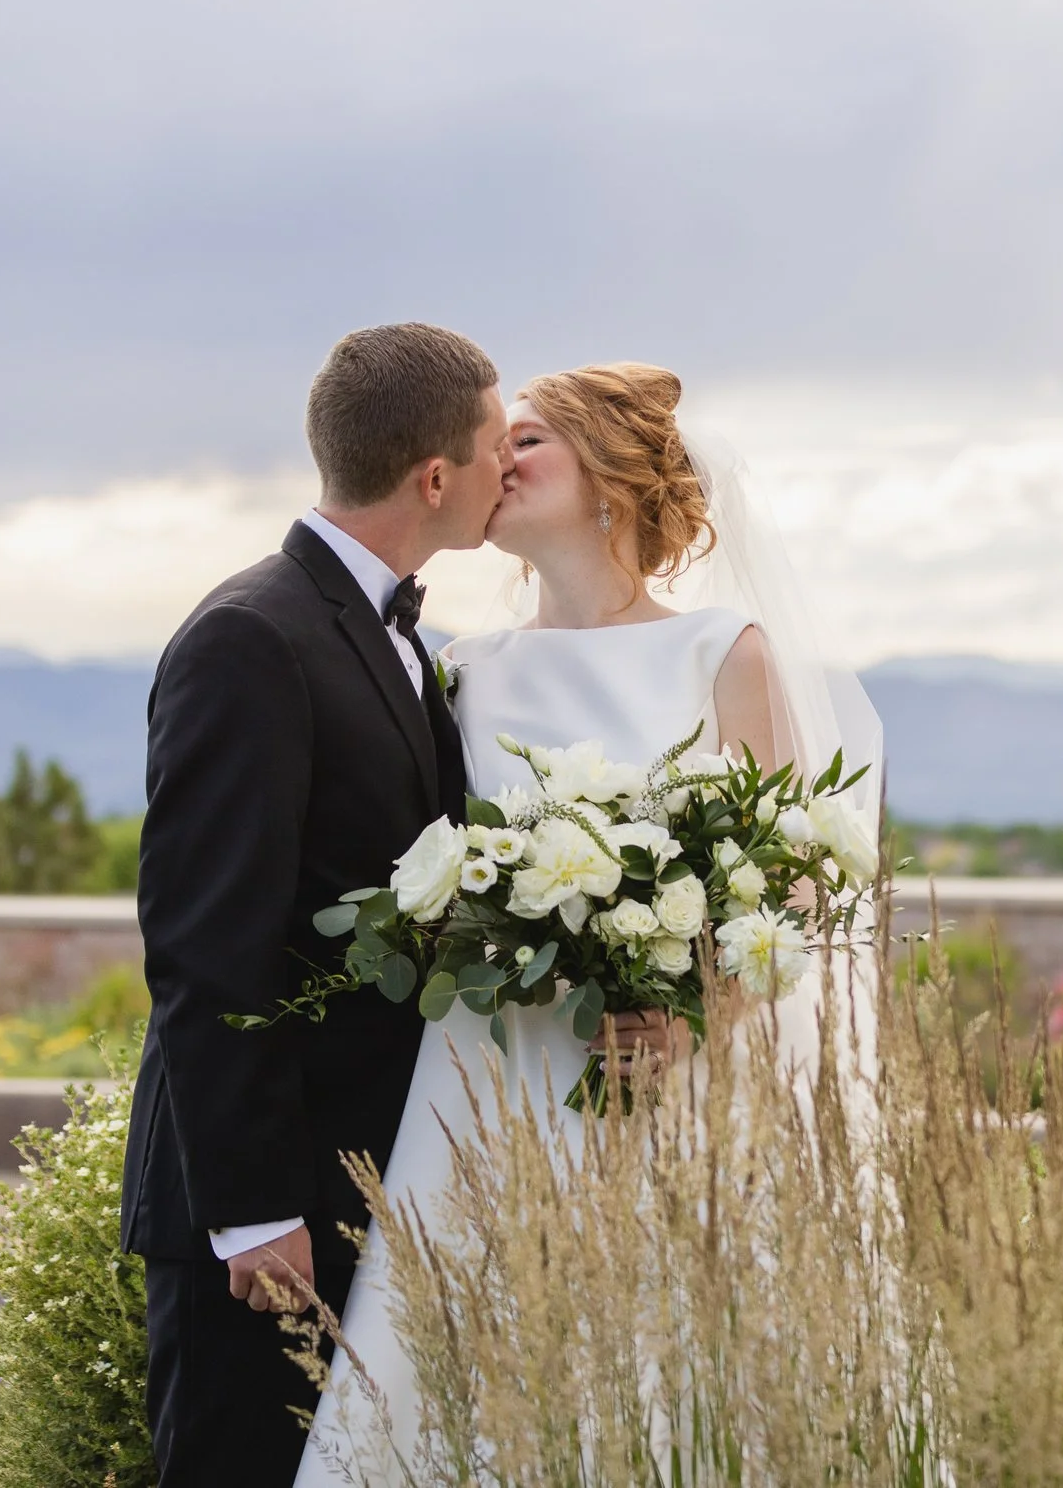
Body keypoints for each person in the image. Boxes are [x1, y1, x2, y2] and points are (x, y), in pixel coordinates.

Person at [295, 361, 883, 1484]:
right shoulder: (461, 671)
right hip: (497, 1072)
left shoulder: (724, 653)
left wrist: (690, 1013)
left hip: (678, 1085)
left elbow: (797, 892)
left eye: (525, 443)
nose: (492, 465)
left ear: (611, 479)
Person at [120, 323, 510, 1486]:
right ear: (434, 477)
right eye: (498, 447)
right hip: (265, 1214)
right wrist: (249, 1212)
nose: (509, 469)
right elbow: (204, 946)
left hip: (370, 1184)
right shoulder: (252, 638)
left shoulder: (397, 642)